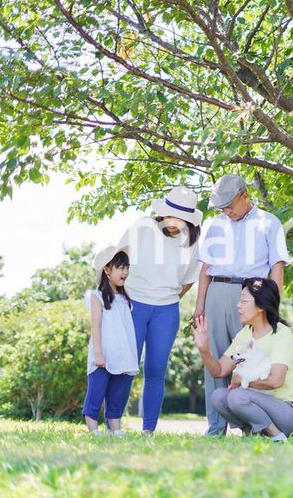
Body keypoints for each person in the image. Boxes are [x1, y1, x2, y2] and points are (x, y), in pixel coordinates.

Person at [194, 174, 291, 435]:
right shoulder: (215, 225)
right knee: (214, 356)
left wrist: (272, 307)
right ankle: (215, 427)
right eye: (221, 207)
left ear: (245, 196)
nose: (226, 211)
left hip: (251, 295)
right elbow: (205, 268)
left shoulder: (269, 223)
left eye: (229, 205)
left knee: (250, 359)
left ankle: (253, 426)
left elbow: (277, 267)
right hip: (217, 291)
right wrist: (199, 305)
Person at [117, 185, 202, 433]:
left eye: (182, 218)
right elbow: (117, 262)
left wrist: (167, 297)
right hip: (134, 304)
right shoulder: (142, 226)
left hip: (166, 310)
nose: (175, 223)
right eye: (171, 216)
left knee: (155, 370)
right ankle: (114, 425)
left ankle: (148, 430)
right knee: (125, 367)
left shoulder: (191, 240)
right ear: (163, 213)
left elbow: (189, 279)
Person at [193, 277, 293, 442]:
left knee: (237, 396)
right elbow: (219, 371)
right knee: (218, 396)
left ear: (261, 306)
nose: (238, 305)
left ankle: (277, 436)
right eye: (240, 300)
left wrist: (242, 379)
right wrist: (204, 349)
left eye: (244, 301)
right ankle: (251, 434)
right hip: (259, 404)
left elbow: (276, 381)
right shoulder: (245, 334)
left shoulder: (281, 333)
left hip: (290, 411)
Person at [82, 246, 139, 437]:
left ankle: (115, 429)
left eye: (127, 267)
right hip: (103, 356)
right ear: (107, 270)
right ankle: (93, 429)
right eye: (120, 267)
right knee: (96, 392)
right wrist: (98, 353)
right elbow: (96, 327)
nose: (125, 272)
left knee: (116, 395)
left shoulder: (124, 298)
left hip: (121, 356)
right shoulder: (97, 297)